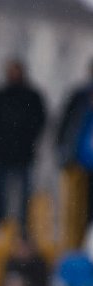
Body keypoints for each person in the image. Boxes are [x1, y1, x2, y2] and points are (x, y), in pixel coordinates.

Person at [0, 60, 45, 232]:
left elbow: (39, 121)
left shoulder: (31, 96)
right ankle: (0, 226)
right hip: (3, 154)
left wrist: (26, 139)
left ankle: (23, 229)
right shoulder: (0, 96)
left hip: (23, 153)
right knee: (0, 194)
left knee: (24, 195)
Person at [57, 57, 93, 222]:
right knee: (76, 208)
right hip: (79, 162)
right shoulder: (80, 96)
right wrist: (63, 149)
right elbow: (66, 125)